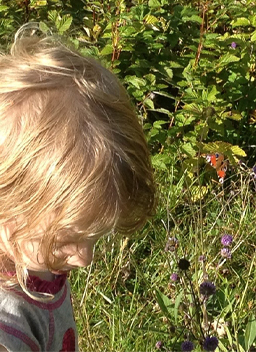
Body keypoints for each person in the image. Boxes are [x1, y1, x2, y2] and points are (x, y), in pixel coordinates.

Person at [0, 24, 156, 351]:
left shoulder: (33, 264)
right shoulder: (7, 326)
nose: (85, 258)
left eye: (93, 239)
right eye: (66, 240)